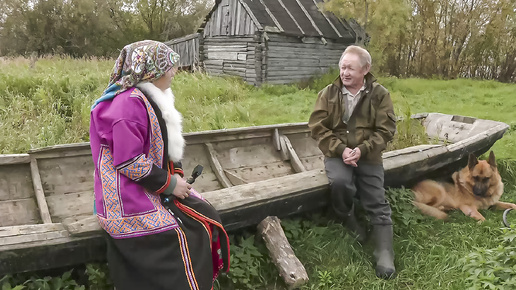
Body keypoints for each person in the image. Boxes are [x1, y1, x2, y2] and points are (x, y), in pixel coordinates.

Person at [90, 40, 229, 289]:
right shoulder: (127, 105)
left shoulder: (146, 98)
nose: (174, 72)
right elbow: (129, 161)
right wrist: (169, 184)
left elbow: (160, 149)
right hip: (126, 198)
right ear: (150, 70)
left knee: (205, 214)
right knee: (183, 236)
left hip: (145, 185)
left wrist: (176, 177)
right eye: (169, 66)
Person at [308, 45, 397, 279]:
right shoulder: (328, 93)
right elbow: (317, 127)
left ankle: (385, 254)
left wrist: (363, 149)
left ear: (366, 70)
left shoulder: (380, 95)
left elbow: (386, 130)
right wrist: (341, 150)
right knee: (339, 182)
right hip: (338, 153)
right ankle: (348, 217)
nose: (345, 73)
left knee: (377, 200)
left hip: (368, 154)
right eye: (342, 67)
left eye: (351, 68)